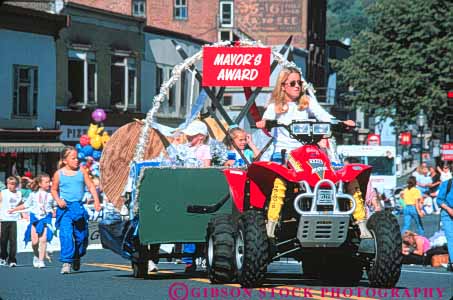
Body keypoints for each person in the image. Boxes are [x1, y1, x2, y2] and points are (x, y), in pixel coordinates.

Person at [51, 146, 101, 274]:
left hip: (78, 208)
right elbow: (53, 189)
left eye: (77, 158)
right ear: (65, 160)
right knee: (66, 235)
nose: (76, 160)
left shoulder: (82, 171)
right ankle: (66, 262)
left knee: (82, 237)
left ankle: (77, 256)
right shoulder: (59, 174)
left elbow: (90, 185)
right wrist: (58, 200)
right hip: (65, 209)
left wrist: (96, 201)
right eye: (73, 158)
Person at [8, 173, 54, 268]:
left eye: (49, 182)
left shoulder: (51, 194)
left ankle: (41, 261)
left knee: (43, 239)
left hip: (45, 218)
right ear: (40, 184)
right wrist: (14, 209)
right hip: (35, 219)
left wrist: (54, 210)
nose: (48, 184)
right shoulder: (33, 194)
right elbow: (26, 205)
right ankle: (36, 255)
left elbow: (55, 205)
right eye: (46, 182)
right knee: (34, 242)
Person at [0, 177, 22, 267]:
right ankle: (3, 256)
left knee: (13, 241)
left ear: (16, 185)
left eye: (13, 184)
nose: (11, 186)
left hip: (14, 219)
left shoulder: (19, 193)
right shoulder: (3, 193)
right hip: (4, 219)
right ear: (7, 184)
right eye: (9, 183)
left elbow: (20, 205)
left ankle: (12, 259)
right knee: (3, 240)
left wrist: (24, 215)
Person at [435, 178, 453, 272]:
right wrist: (449, 209)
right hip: (447, 213)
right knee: (451, 238)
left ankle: (450, 262)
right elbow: (439, 200)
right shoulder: (447, 183)